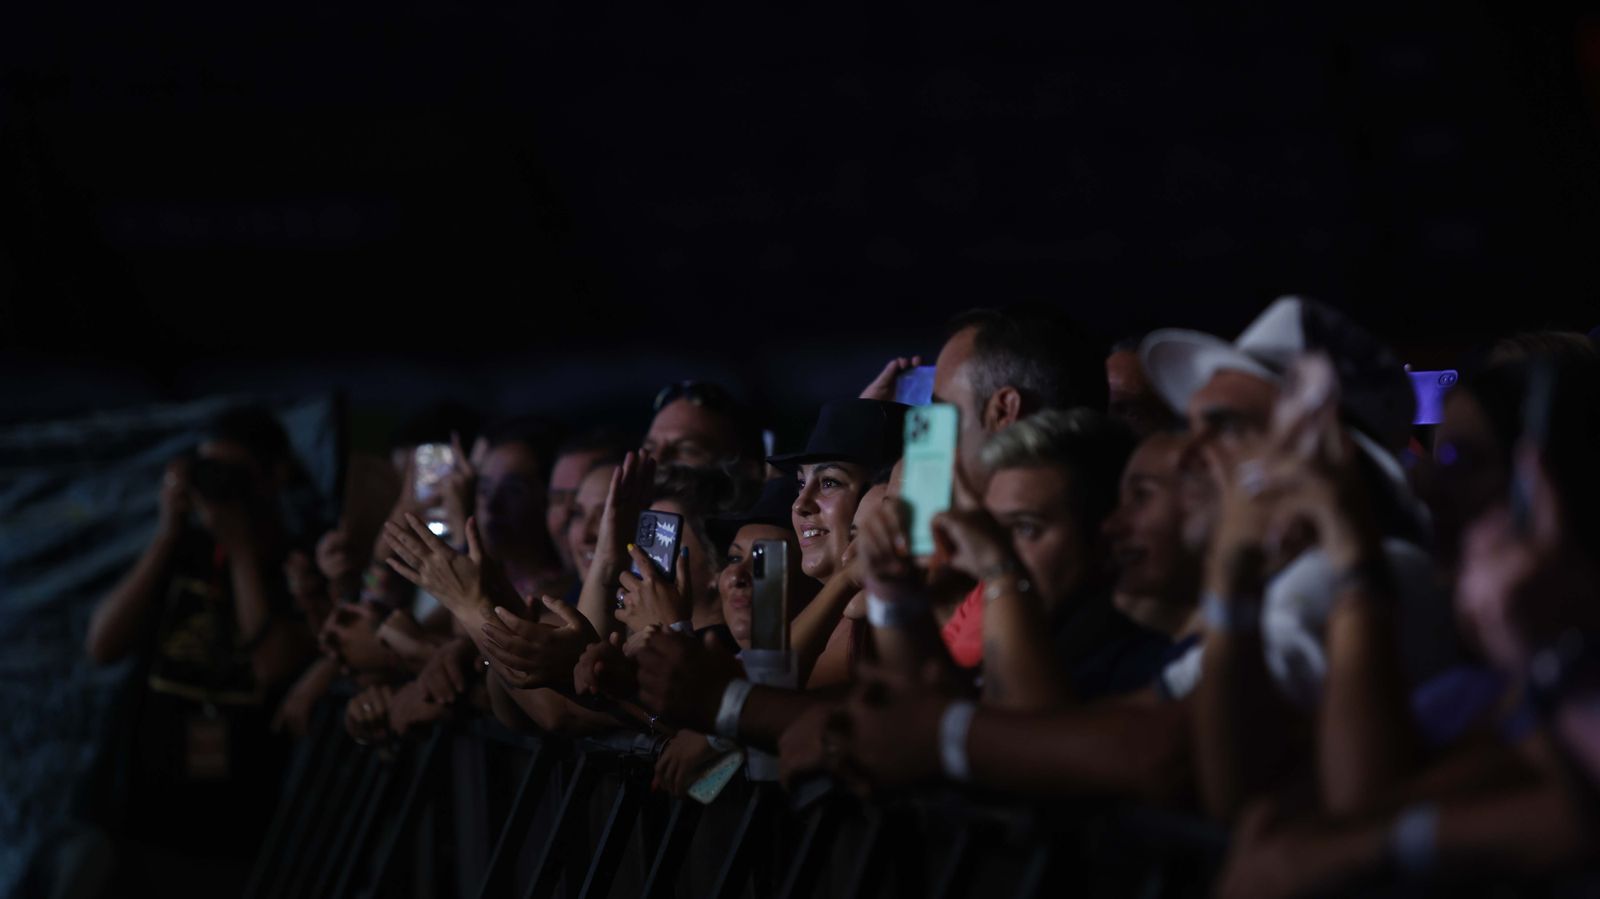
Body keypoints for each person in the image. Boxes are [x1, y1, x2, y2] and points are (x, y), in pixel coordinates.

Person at [86, 406, 315, 894]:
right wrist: (167, 531)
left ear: (273, 477)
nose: (218, 484)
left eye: (234, 474)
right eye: (207, 469)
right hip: (143, 818)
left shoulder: (300, 563)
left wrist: (241, 551)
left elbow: (272, 667)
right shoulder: (179, 550)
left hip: (242, 828)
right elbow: (102, 645)